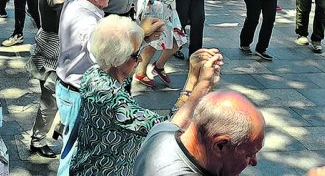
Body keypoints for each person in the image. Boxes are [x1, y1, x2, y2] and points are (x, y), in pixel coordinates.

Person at [70, 15, 224, 176]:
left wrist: (142, 36)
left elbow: (119, 51)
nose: (141, 58)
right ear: (118, 58)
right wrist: (199, 83)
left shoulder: (94, 72)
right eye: (136, 55)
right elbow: (168, 129)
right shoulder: (110, 96)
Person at [54, 0, 113, 175]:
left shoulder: (74, 1)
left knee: (70, 144)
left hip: (67, 87)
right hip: (77, 92)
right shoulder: (89, 22)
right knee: (73, 152)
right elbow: (103, 59)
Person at [133, 90, 265, 176]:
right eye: (250, 154)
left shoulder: (160, 133)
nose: (254, 162)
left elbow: (177, 122)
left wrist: (202, 85)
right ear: (220, 146)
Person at [28, 0, 74, 158]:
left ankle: (52, 136)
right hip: (51, 50)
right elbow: (58, 1)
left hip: (55, 47)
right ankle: (39, 140)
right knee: (51, 100)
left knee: (58, 99)